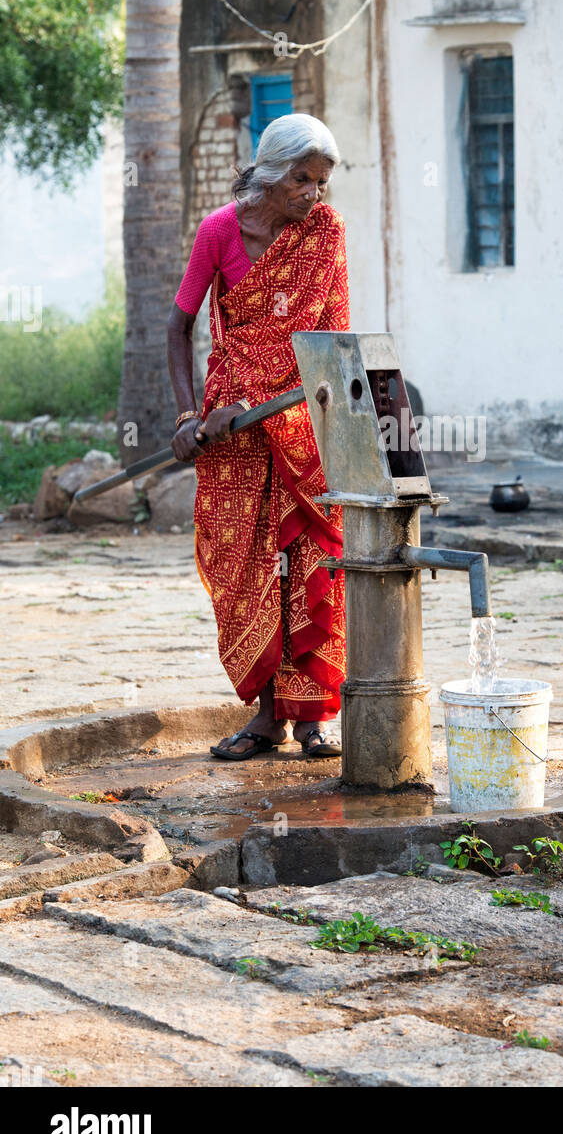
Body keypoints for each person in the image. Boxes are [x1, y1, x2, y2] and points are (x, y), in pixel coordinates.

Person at [167, 113, 348, 761]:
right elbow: (177, 327)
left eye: (321, 181)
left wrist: (294, 403)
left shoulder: (324, 234)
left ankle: (312, 720)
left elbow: (331, 339)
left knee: (312, 560)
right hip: (231, 428)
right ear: (273, 171)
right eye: (302, 179)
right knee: (246, 566)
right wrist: (190, 417)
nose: (312, 194)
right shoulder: (219, 230)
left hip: (300, 418)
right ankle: (266, 720)